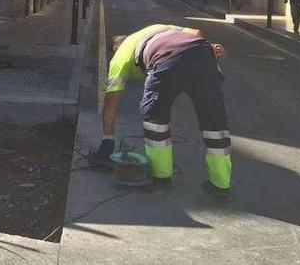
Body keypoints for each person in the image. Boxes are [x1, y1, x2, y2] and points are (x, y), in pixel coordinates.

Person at [95, 24, 232, 196]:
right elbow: (196, 33)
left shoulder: (120, 55)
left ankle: (161, 176)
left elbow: (111, 99)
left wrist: (107, 138)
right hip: (203, 52)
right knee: (214, 119)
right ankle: (220, 184)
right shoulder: (158, 28)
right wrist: (209, 47)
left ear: (116, 47)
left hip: (167, 59)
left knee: (154, 116)